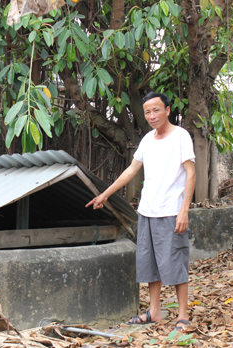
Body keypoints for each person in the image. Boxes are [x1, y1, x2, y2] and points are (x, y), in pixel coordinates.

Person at [86, 92, 196, 331]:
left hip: (171, 211)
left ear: (167, 110)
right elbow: (130, 171)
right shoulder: (147, 139)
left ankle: (183, 315)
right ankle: (154, 311)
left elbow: (191, 173)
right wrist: (105, 194)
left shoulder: (181, 136)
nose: (152, 116)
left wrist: (184, 210)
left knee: (175, 262)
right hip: (147, 211)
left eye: (156, 110)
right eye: (147, 112)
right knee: (150, 263)